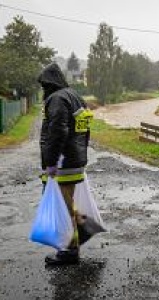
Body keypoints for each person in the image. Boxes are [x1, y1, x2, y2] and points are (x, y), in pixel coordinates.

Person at [38, 62, 93, 265]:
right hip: (74, 160)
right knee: (67, 203)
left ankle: (69, 251)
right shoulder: (75, 96)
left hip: (62, 163)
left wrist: (51, 162)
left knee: (62, 207)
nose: (43, 89)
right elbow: (85, 132)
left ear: (50, 84)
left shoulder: (57, 99)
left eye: (44, 85)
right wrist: (81, 156)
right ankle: (80, 232)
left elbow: (57, 132)